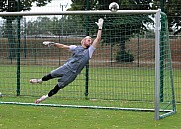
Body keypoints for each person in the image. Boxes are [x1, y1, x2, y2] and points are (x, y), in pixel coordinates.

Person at [30, 18, 104, 104]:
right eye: (88, 39)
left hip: (72, 74)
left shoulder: (90, 51)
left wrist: (100, 27)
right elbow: (63, 46)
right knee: (51, 75)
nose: (90, 41)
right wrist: (52, 43)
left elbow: (98, 39)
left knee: (58, 87)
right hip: (66, 67)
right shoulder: (76, 48)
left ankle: (43, 98)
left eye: (91, 40)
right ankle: (39, 81)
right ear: (83, 41)